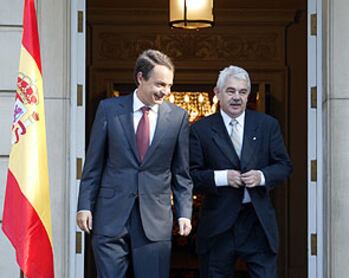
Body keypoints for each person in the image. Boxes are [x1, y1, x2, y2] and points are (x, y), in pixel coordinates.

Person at [76, 49, 193, 278]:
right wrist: (84, 205)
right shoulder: (109, 110)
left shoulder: (178, 118)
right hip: (111, 215)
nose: (166, 92)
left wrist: (184, 212)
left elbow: (181, 172)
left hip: (155, 218)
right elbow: (94, 164)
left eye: (169, 85)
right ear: (140, 78)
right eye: (160, 84)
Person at [190, 65, 292, 277]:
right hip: (219, 224)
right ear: (217, 93)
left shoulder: (266, 125)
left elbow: (284, 166)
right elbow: (191, 175)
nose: (237, 97)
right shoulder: (200, 130)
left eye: (242, 92)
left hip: (257, 222)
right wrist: (222, 177)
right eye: (230, 91)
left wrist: (262, 176)